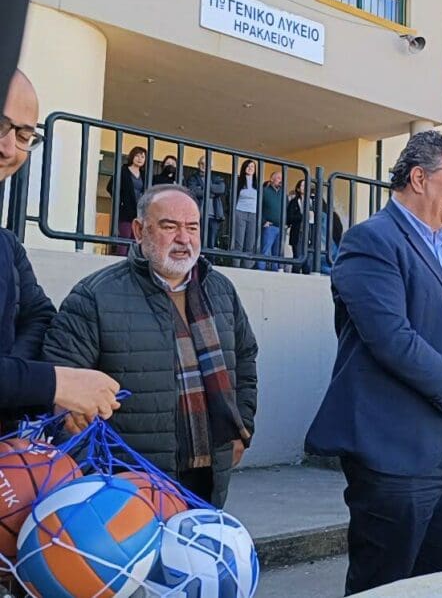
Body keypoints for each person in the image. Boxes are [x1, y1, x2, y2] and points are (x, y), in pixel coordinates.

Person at [304, 131, 442, 595]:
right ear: (418, 178)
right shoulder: (371, 240)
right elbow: (392, 339)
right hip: (393, 450)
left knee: (432, 584)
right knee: (384, 585)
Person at [43, 185, 259, 507]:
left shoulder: (221, 290)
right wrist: (94, 477)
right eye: (170, 226)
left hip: (210, 474)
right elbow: (62, 396)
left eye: (192, 227)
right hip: (126, 484)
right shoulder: (94, 296)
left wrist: (242, 428)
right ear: (139, 230)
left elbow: (244, 358)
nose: (184, 239)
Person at [0, 70, 120, 423]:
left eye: (24, 135)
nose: (8, 147)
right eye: (0, 125)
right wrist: (51, 384)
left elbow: (39, 316)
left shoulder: (7, 246)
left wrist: (13, 381)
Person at [106, 146, 146, 256]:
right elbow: (110, 187)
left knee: (135, 240)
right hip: (125, 211)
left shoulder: (144, 174)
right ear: (132, 156)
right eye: (137, 156)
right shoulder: (123, 170)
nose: (140, 159)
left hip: (139, 212)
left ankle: (131, 262)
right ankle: (121, 261)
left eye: (142, 157)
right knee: (124, 238)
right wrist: (121, 201)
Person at [185, 155, 226, 250]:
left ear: (211, 167)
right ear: (198, 165)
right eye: (202, 163)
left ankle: (210, 259)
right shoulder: (193, 178)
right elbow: (193, 191)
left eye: (207, 164)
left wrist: (203, 188)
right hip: (198, 215)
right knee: (197, 241)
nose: (204, 166)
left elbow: (221, 189)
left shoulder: (216, 177)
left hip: (214, 216)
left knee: (211, 244)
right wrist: (211, 192)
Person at [232, 160, 259, 269]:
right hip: (240, 212)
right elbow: (232, 197)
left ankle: (247, 268)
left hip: (253, 214)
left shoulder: (257, 183)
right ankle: (236, 266)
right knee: (238, 242)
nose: (250, 168)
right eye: (248, 166)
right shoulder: (238, 181)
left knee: (250, 243)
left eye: (252, 166)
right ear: (244, 168)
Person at [258, 171, 284, 271]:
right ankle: (261, 272)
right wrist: (263, 221)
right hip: (269, 227)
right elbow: (258, 207)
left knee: (277, 253)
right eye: (278, 178)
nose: (281, 180)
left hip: (281, 227)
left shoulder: (283, 194)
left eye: (282, 178)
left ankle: (275, 272)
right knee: (265, 251)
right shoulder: (264, 191)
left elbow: (286, 209)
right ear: (272, 179)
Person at [286, 179, 306, 271]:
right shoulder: (294, 202)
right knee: (297, 258)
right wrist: (302, 216)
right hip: (298, 232)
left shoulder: (313, 201)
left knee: (308, 261)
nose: (305, 187)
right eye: (302, 185)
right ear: (298, 188)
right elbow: (290, 217)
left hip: (310, 234)